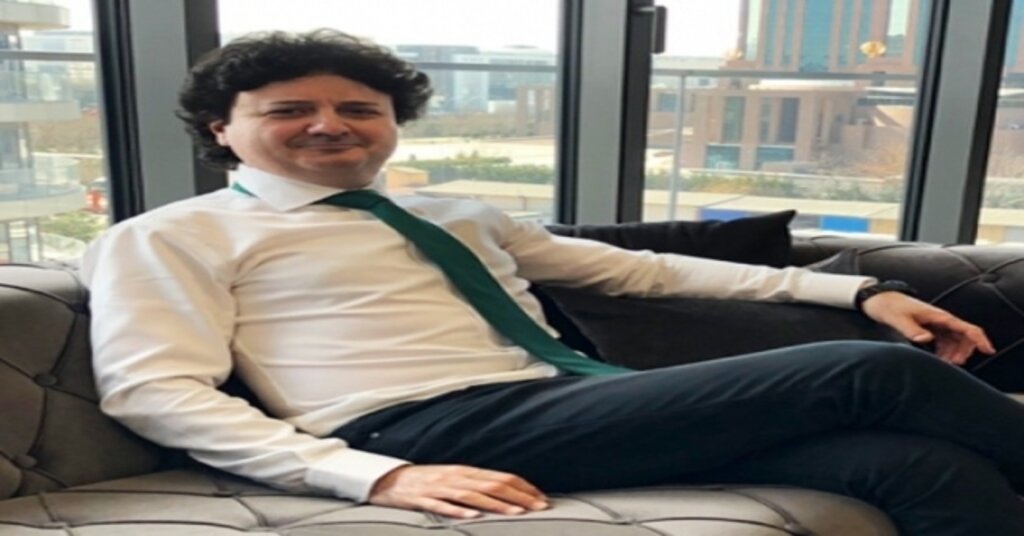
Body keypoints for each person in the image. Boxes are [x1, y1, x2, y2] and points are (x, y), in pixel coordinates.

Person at [81, 29, 1024, 535]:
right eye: (290, 109)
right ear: (221, 130)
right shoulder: (169, 237)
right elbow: (155, 390)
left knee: (913, 467)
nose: (330, 124)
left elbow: (642, 271)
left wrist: (855, 291)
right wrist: (375, 476)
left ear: (391, 123)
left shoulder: (457, 212)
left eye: (358, 107)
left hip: (560, 407)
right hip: (412, 426)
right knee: (874, 372)